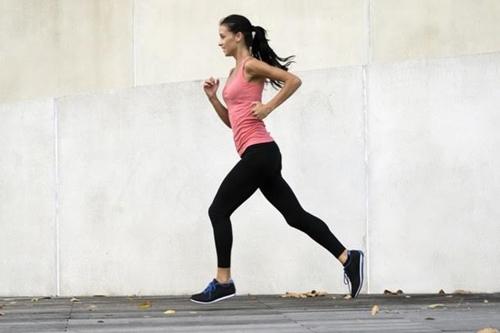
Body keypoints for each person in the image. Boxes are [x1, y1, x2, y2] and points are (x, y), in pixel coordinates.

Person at [190, 14, 364, 304]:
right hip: (259, 154)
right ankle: (348, 258)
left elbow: (293, 80)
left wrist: (268, 107)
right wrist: (212, 98)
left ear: (239, 36)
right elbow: (234, 124)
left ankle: (223, 281)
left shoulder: (250, 65)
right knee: (295, 216)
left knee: (218, 210)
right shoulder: (234, 74)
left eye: (223, 36)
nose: (218, 42)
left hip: (260, 153)